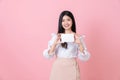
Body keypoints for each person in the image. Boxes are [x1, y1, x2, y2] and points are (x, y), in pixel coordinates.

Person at [43, 10, 90, 80]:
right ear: (60, 22)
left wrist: (79, 43)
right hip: (58, 68)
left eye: (68, 20)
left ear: (72, 21)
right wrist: (55, 43)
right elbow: (48, 55)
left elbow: (85, 57)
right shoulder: (56, 37)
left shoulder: (78, 37)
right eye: (63, 20)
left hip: (72, 67)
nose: (66, 23)